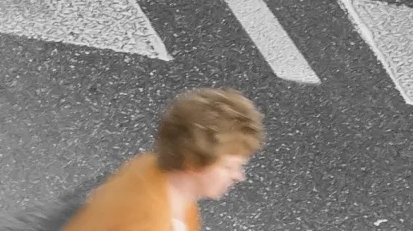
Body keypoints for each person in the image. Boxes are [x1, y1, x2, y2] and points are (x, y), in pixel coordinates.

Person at [59, 88, 265, 231]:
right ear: (192, 162)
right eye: (229, 167)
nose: (239, 176)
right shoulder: (148, 218)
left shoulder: (149, 169)